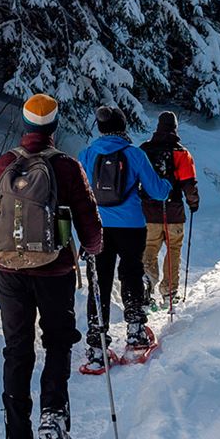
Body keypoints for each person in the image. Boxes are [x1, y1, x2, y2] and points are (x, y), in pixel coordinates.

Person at [0, 93, 103, 439]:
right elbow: (90, 227)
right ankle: (53, 417)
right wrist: (92, 249)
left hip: (9, 273)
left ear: (25, 124)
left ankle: (17, 433)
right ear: (54, 126)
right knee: (58, 342)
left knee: (17, 348)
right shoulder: (66, 166)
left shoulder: (2, 164)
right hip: (54, 271)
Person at [77, 105, 171, 369]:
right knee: (131, 273)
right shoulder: (135, 154)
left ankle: (97, 344)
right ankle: (135, 329)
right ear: (123, 127)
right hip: (131, 226)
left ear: (100, 129)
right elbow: (158, 191)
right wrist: (167, 183)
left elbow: (77, 193)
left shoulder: (86, 154)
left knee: (99, 280)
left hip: (97, 227)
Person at [140, 111, 200, 308]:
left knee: (149, 249)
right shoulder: (181, 153)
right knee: (173, 249)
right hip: (173, 211)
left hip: (148, 212)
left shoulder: (144, 150)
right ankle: (170, 292)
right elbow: (188, 184)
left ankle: (146, 286)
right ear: (175, 128)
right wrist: (193, 203)